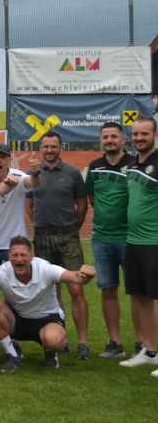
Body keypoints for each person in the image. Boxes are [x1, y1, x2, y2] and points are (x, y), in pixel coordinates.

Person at [0, 236, 96, 371]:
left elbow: (76, 277)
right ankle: (13, 354)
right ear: (9, 256)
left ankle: (51, 353)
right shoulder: (3, 271)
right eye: (15, 255)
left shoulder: (45, 269)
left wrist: (86, 274)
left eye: (23, 255)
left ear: (32, 255)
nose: (19, 259)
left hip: (47, 319)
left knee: (54, 341)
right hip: (18, 321)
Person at [25, 130, 90, 359]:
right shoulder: (33, 173)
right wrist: (41, 226)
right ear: (40, 149)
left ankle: (83, 342)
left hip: (68, 236)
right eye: (46, 147)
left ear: (60, 148)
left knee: (76, 288)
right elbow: (29, 206)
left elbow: (82, 206)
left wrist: (71, 228)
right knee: (52, 290)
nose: (49, 150)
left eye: (53, 146)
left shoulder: (72, 173)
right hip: (42, 237)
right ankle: (61, 337)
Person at [85, 122, 134, 359]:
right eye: (105, 137)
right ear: (100, 140)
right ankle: (114, 342)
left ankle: (144, 343)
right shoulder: (94, 167)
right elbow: (92, 198)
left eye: (114, 136)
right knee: (108, 291)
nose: (109, 140)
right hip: (102, 239)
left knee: (139, 293)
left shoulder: (136, 164)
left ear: (124, 140)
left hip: (132, 239)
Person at [119, 114, 158, 377]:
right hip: (133, 241)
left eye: (144, 134)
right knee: (139, 296)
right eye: (135, 134)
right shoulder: (133, 163)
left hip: (154, 241)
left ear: (154, 135)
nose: (139, 138)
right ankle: (149, 350)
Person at [0, 144, 40, 287]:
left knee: (18, 289)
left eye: (3, 157)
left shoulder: (17, 176)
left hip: (15, 246)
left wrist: (35, 173)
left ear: (9, 159)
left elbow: (33, 183)